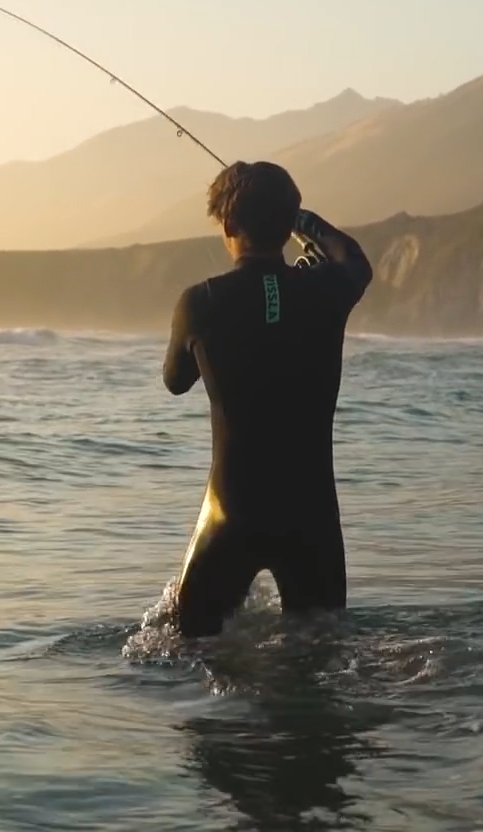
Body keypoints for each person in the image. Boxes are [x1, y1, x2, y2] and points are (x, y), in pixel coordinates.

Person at [162, 160, 372, 637]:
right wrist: (302, 221)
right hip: (312, 515)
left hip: (232, 510)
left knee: (184, 644)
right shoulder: (327, 288)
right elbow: (355, 261)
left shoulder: (201, 302)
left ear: (229, 225)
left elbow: (175, 381)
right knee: (319, 654)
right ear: (286, 223)